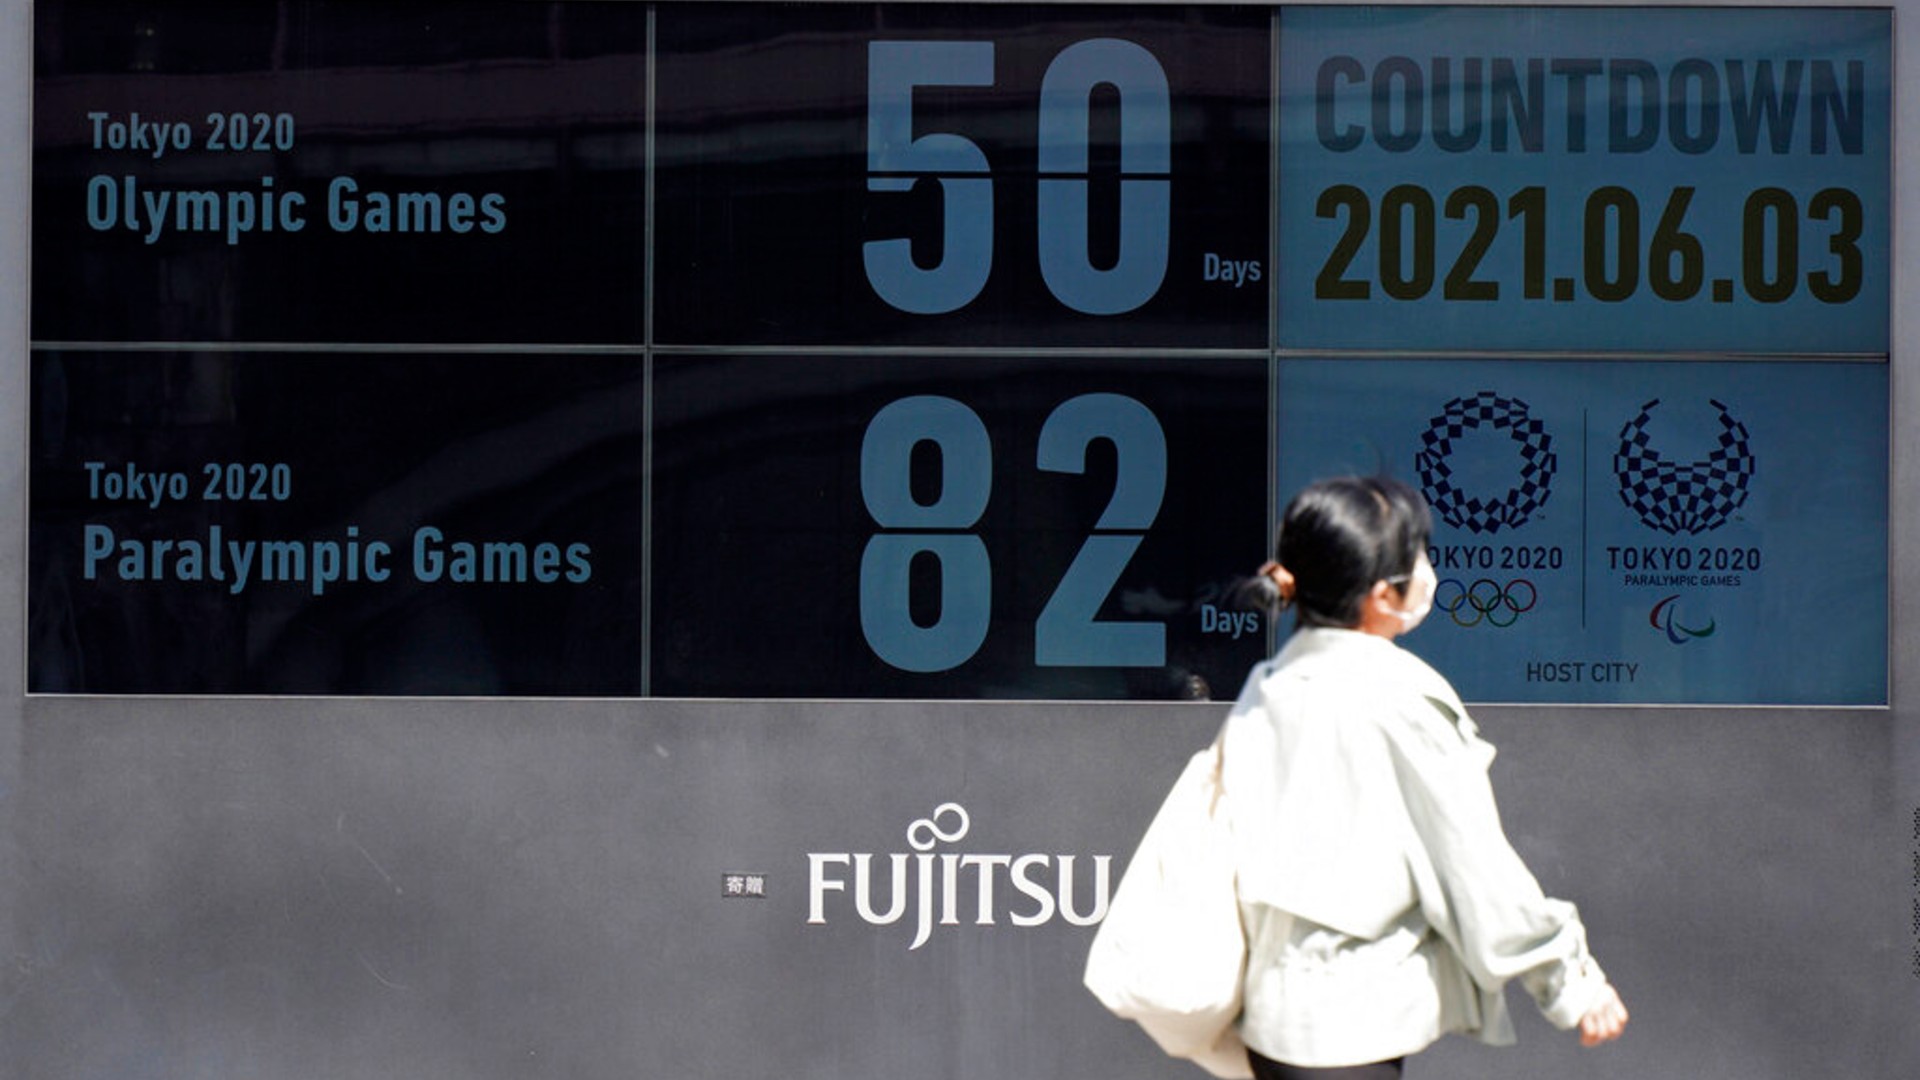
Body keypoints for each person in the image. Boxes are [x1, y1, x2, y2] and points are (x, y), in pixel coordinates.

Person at [1219, 476, 1627, 1080]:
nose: (1427, 569)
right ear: (1383, 595)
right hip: (1351, 1021)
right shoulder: (1398, 696)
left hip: (1274, 1015)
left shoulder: (1272, 681)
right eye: (1419, 555)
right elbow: (1471, 861)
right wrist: (1571, 983)